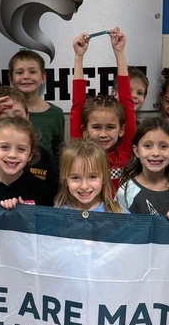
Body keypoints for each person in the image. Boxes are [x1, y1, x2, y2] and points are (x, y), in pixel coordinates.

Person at [70, 28, 136, 191]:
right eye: (96, 127)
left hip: (120, 215)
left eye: (110, 127)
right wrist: (79, 56)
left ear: (122, 130)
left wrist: (119, 52)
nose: (103, 134)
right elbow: (77, 106)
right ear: (84, 130)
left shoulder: (125, 150)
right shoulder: (79, 152)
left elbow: (127, 102)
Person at [0, 117, 50, 205]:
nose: (12, 155)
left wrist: (26, 212)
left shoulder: (41, 190)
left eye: (21, 149)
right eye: (4, 147)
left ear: (30, 155)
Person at [116, 117, 169, 215]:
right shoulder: (126, 192)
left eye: (163, 146)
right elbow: (117, 227)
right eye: (147, 146)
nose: (155, 153)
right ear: (136, 150)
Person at [8, 49, 65, 157]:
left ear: (43, 77)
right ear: (11, 78)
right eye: (20, 72)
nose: (26, 76)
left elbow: (59, 154)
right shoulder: (4, 111)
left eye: (32, 72)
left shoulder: (55, 114)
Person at [55, 140, 123, 213]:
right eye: (75, 178)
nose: (84, 187)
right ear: (65, 180)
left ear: (104, 177)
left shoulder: (118, 213)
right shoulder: (56, 215)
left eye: (92, 177)